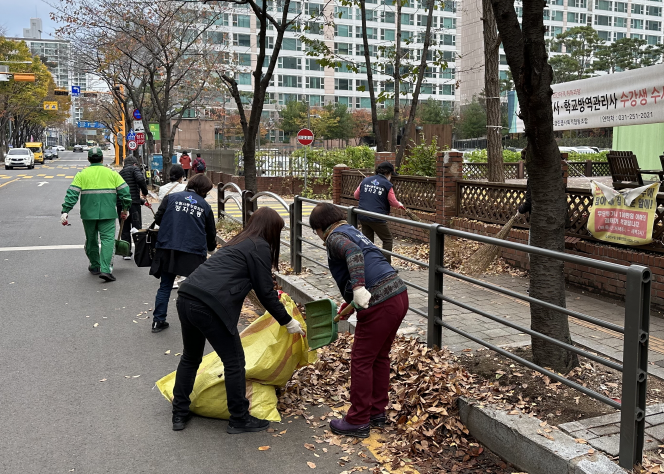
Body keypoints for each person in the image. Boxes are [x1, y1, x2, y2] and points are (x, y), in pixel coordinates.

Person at [172, 207, 305, 433]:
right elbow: (265, 292)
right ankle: (239, 418)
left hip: (186, 296)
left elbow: (251, 286)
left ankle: (179, 413)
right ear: (272, 230)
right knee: (234, 362)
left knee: (191, 357)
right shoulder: (259, 246)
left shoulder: (239, 242)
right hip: (210, 306)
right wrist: (288, 321)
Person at [309, 203, 408, 438]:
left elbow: (353, 255)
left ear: (320, 228)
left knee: (362, 360)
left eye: (316, 232)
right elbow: (367, 262)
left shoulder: (334, 237)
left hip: (380, 303)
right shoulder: (352, 230)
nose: (319, 237)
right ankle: (376, 412)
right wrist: (352, 304)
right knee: (379, 357)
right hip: (398, 295)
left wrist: (359, 288)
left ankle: (358, 420)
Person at [150, 174, 217, 333]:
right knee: (197, 288)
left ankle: (158, 321)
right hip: (193, 252)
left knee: (165, 286)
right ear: (204, 190)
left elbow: (158, 219)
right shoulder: (204, 206)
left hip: (168, 248)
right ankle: (198, 322)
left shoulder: (171, 198)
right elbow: (210, 233)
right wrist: (211, 249)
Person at [61, 147, 132, 282]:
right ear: (102, 159)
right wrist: (125, 209)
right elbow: (125, 192)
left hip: (88, 214)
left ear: (88, 159)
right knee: (107, 241)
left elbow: (72, 193)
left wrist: (65, 210)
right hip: (108, 213)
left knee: (91, 239)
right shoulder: (112, 173)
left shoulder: (81, 174)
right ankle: (106, 270)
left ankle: (95, 265)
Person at [353, 161, 405, 264]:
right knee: (387, 239)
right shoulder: (387, 184)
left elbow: (356, 195)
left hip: (363, 215)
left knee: (367, 241)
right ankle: (385, 266)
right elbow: (393, 202)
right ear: (388, 173)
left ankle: (368, 263)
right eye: (391, 174)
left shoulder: (366, 180)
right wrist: (399, 204)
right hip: (377, 217)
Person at [117, 156, 149, 260]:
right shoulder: (134, 169)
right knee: (136, 227)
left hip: (121, 204)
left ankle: (126, 252)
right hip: (133, 204)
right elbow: (140, 179)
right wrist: (145, 192)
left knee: (124, 227)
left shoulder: (120, 173)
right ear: (134, 164)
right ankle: (139, 252)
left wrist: (143, 202)